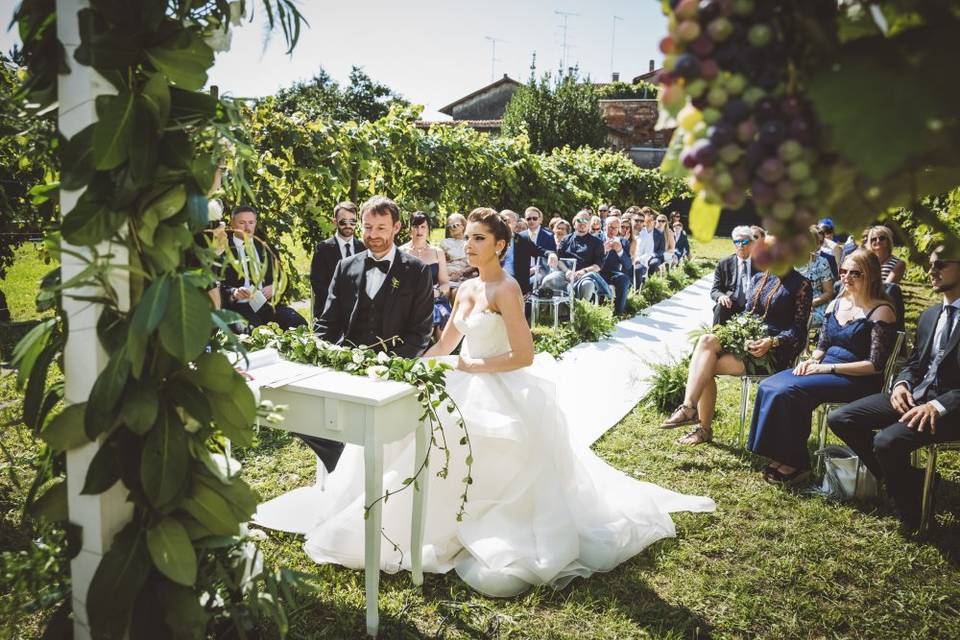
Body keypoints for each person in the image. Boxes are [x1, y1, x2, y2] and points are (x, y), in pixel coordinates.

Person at [256, 206, 716, 597]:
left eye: (479, 239)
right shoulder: (467, 288)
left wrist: (466, 368)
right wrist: (414, 368)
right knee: (420, 445)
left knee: (492, 452)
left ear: (499, 245)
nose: (469, 245)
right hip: (458, 379)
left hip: (500, 386)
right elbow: (445, 344)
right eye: (468, 237)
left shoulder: (506, 290)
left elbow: (524, 355)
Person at [828, 249, 960, 533]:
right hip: (916, 395)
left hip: (951, 408)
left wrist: (937, 407)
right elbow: (913, 363)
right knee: (840, 419)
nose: (931, 270)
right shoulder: (930, 315)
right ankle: (911, 480)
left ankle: (914, 518)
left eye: (941, 264)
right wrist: (901, 384)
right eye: (929, 264)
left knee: (886, 443)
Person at [306, 195, 434, 472]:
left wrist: (389, 367)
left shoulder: (417, 271)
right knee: (307, 415)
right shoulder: (345, 267)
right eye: (367, 227)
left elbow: (421, 332)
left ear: (397, 227)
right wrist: (324, 357)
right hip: (346, 364)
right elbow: (326, 323)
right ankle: (337, 461)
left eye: (381, 228)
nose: (372, 235)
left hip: (392, 370)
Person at [747, 250, 897, 484]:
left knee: (791, 391)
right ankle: (779, 454)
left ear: (871, 276)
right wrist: (813, 360)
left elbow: (875, 365)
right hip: (826, 367)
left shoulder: (882, 311)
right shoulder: (836, 304)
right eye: (843, 271)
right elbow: (823, 344)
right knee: (770, 385)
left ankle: (796, 464)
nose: (846, 277)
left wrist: (827, 369)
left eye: (855, 273)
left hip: (857, 378)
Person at [664, 258, 813, 445]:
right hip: (747, 344)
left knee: (705, 367)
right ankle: (689, 408)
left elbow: (799, 330)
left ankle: (702, 428)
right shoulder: (759, 278)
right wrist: (738, 333)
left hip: (773, 354)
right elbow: (747, 313)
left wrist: (772, 341)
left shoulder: (801, 284)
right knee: (706, 340)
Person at [220, 205, 308, 331]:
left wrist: (276, 287)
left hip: (266, 304)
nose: (247, 227)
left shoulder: (266, 247)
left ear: (255, 223)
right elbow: (214, 282)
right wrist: (233, 292)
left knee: (298, 324)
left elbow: (284, 278)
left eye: (251, 222)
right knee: (257, 333)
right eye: (242, 223)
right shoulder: (222, 248)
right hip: (238, 308)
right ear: (232, 223)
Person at [310, 201, 365, 325]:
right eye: (343, 222)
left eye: (353, 221)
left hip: (358, 313)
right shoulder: (323, 248)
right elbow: (317, 284)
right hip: (329, 311)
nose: (348, 225)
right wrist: (338, 305)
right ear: (335, 222)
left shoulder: (363, 248)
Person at [400, 212, 452, 339]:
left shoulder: (437, 252)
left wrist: (437, 293)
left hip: (435, 299)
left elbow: (445, 283)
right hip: (410, 300)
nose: (419, 230)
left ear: (428, 229)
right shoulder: (400, 252)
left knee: (442, 317)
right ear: (410, 229)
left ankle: (441, 356)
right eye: (415, 226)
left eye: (423, 227)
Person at [558, 210, 610, 303]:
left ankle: (581, 313)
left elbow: (598, 266)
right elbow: (559, 260)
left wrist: (583, 271)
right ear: (574, 224)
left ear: (589, 224)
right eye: (579, 221)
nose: (582, 224)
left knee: (588, 285)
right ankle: (551, 312)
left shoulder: (597, 243)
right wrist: (567, 271)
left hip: (585, 276)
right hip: (565, 274)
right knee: (548, 280)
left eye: (586, 221)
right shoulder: (566, 239)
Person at [710, 226, 756, 326]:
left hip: (753, 305)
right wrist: (721, 296)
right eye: (737, 242)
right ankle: (715, 337)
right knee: (720, 306)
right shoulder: (724, 263)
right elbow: (715, 290)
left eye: (744, 242)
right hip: (731, 304)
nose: (740, 245)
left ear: (752, 243)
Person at [499, 209, 547, 297]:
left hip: (517, 287)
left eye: (509, 221)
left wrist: (551, 255)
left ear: (515, 224)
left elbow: (540, 251)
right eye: (503, 220)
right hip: (496, 283)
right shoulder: (491, 239)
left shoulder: (523, 239)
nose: (505, 223)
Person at [797, 225, 835, 327]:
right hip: (791, 305)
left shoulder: (821, 262)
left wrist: (809, 304)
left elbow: (829, 292)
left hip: (815, 306)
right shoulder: (788, 264)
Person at [600, 216, 633, 315]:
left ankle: (619, 312)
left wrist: (620, 251)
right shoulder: (596, 239)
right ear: (604, 227)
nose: (612, 230)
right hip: (597, 271)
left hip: (612, 272)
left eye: (615, 228)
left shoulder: (624, 242)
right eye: (610, 227)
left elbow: (628, 265)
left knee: (624, 279)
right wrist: (603, 250)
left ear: (619, 229)